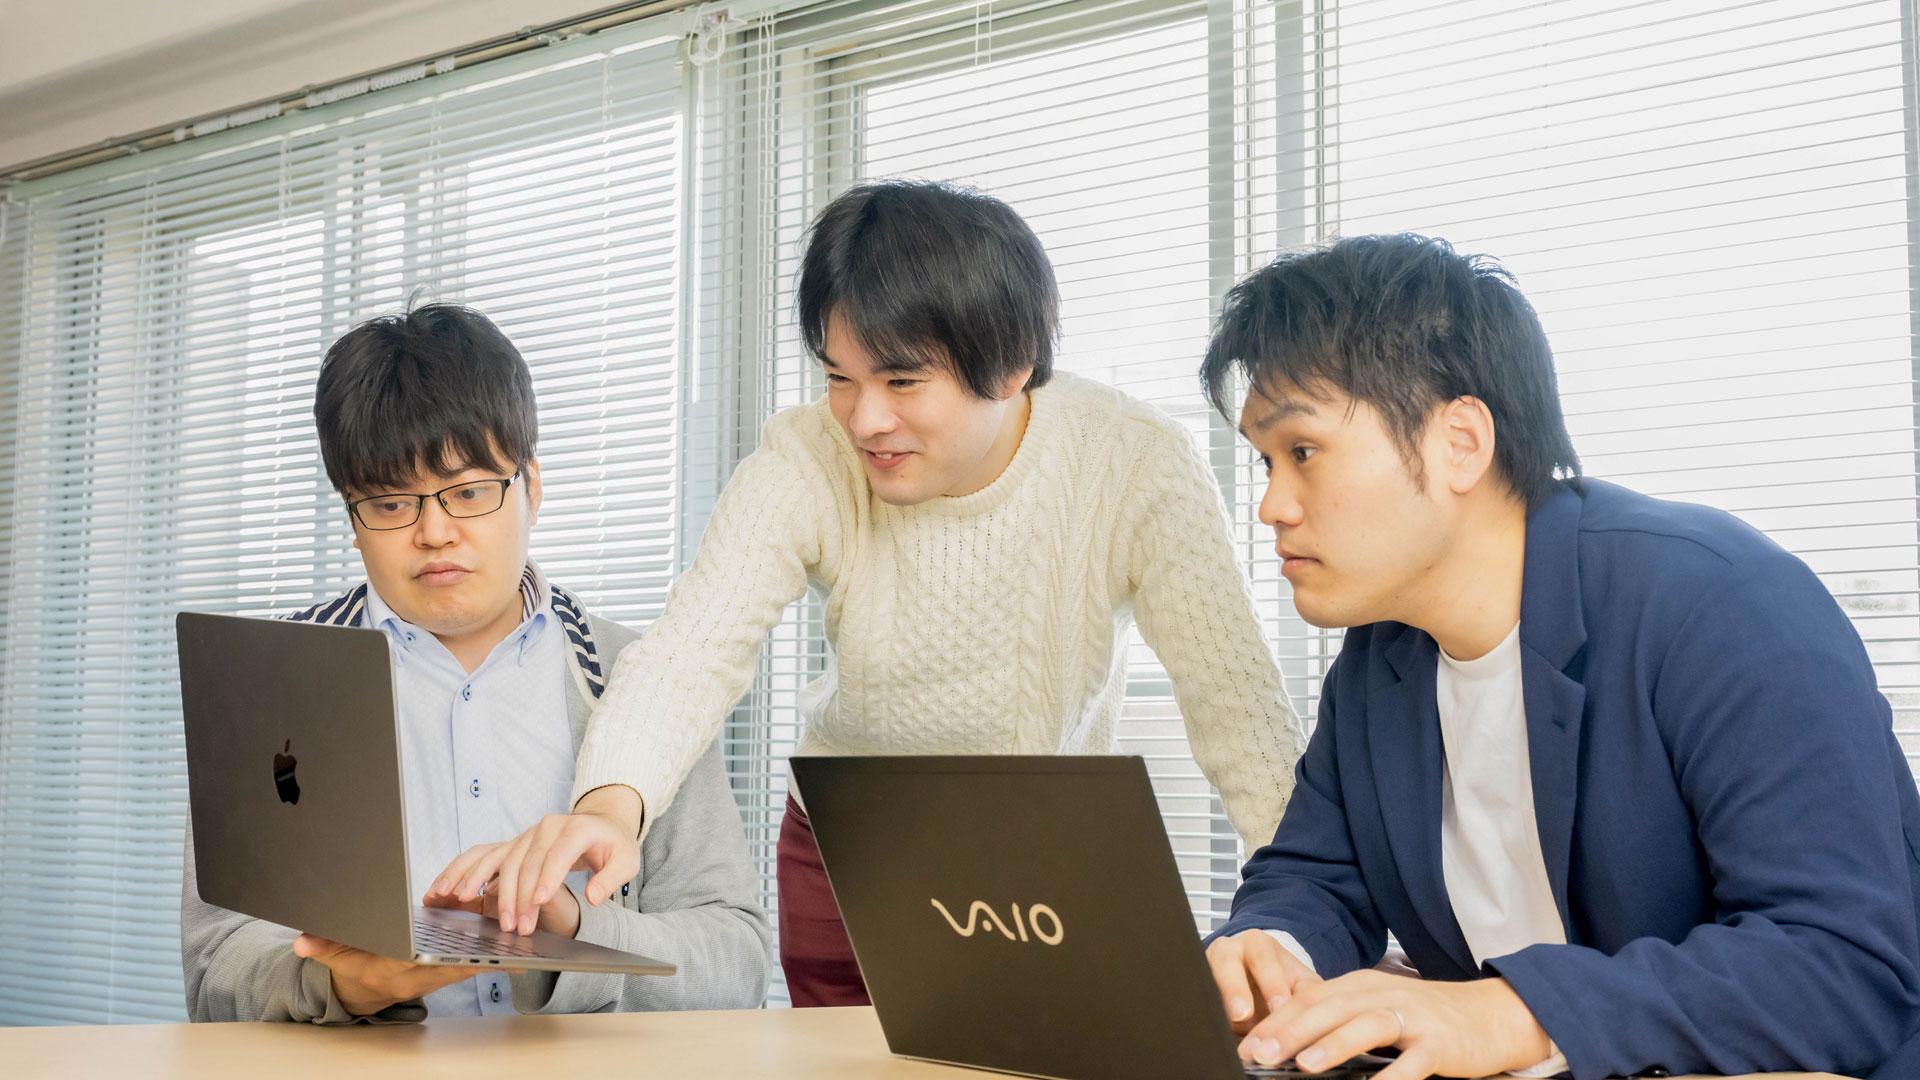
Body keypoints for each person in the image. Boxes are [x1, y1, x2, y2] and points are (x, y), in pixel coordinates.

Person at [425, 180, 1307, 1006]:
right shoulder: (808, 454)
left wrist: (1300, 923)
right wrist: (610, 807)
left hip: (1040, 846)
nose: (864, 419)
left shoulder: (1134, 462)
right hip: (850, 848)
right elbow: (692, 651)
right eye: (839, 377)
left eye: (902, 380)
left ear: (1013, 365)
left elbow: (1234, 705)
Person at [1197, 233, 1920, 1080]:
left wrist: (1513, 1012)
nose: (1272, 506)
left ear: (1460, 442)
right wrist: (1268, 952)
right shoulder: (1379, 658)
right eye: (1265, 462)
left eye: (1302, 453)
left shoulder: (1719, 600)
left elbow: (1845, 963)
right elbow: (1316, 874)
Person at [180, 303, 769, 1022]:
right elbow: (215, 972)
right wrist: (343, 989)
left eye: (468, 492)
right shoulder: (271, 683)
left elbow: (735, 965)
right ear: (352, 518)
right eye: (390, 503)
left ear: (532, 488)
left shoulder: (639, 679)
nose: (434, 532)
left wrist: (572, 933)